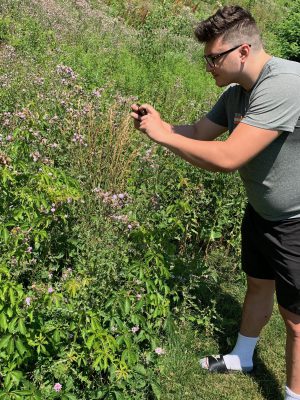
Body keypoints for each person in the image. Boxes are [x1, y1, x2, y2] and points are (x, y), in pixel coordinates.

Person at [130, 4, 300, 400]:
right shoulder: (236, 93)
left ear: (243, 50)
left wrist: (164, 137)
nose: (208, 65)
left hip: (295, 221)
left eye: (214, 57)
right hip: (262, 212)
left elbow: (227, 158)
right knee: (258, 286)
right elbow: (199, 133)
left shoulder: (285, 84)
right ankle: (244, 356)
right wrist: (162, 126)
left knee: (296, 323)